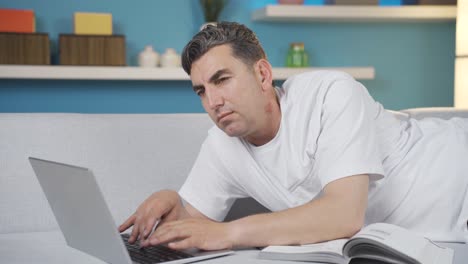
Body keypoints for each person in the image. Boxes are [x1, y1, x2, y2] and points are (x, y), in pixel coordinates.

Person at [119, 21, 468, 251]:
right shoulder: (222, 144)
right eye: (200, 91)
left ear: (263, 74)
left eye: (222, 80)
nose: (213, 101)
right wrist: (173, 203)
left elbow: (343, 216)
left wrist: (230, 234)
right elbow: (195, 219)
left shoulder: (330, 93)